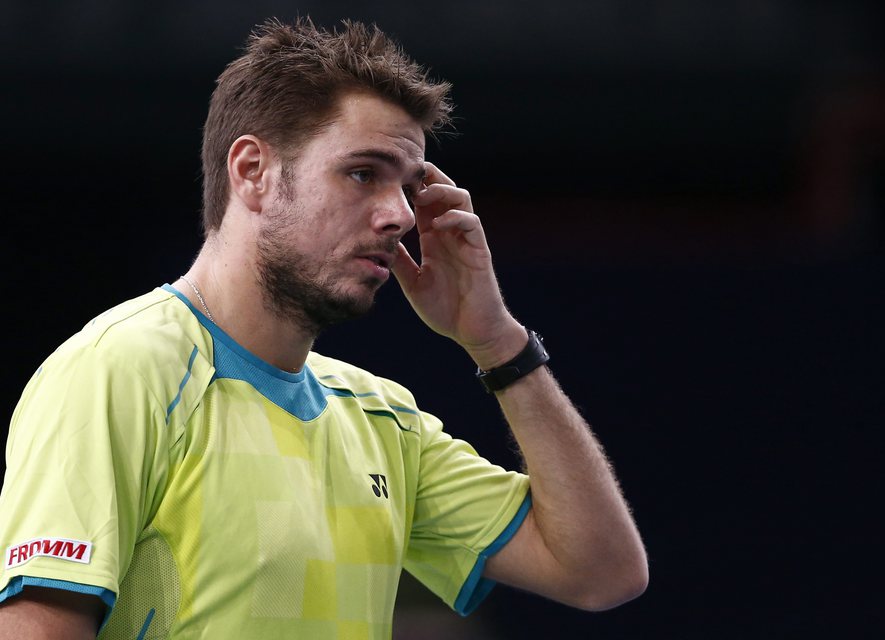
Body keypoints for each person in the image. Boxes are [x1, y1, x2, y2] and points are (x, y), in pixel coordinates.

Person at [0, 17, 647, 639]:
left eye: (408, 187)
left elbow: (602, 573)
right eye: (363, 173)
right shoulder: (119, 368)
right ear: (252, 172)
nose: (398, 215)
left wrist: (497, 341)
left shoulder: (382, 420)